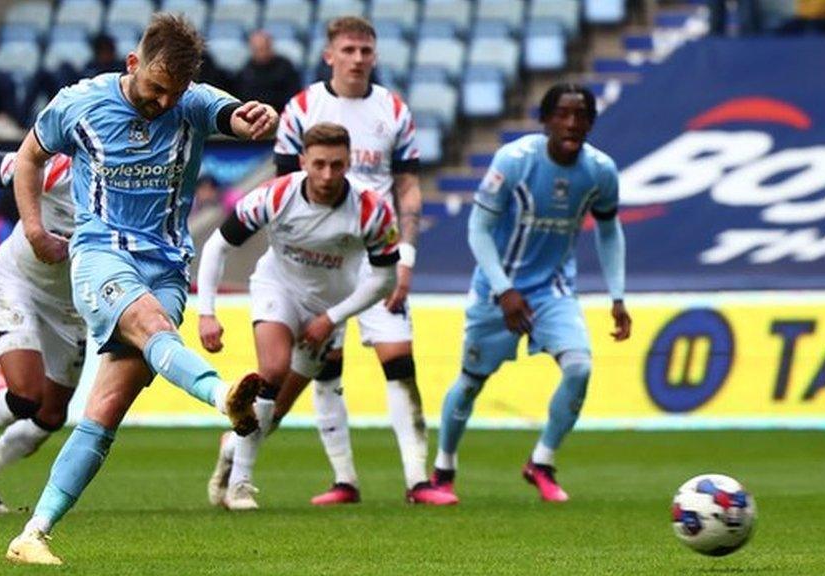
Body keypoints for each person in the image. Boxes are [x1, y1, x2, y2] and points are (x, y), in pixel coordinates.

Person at [4, 13, 279, 565]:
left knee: (104, 413)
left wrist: (258, 118)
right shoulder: (79, 104)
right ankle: (221, 394)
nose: (161, 103)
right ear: (133, 64)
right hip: (100, 255)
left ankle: (33, 531)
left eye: (172, 94)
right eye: (155, 89)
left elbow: (237, 116)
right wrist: (34, 227)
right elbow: (30, 156)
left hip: (167, 266)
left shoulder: (192, 102)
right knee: (153, 325)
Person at [235, 15, 452, 506]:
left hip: (377, 253)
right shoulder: (301, 109)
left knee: (399, 360)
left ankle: (418, 481)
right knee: (323, 367)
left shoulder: (393, 109)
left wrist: (407, 257)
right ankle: (344, 480)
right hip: (319, 263)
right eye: (349, 50)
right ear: (329, 55)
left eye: (366, 50)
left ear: (375, 56)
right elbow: (285, 192)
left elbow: (409, 187)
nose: (358, 59)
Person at [431, 84, 632, 503]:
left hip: (553, 289)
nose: (572, 123)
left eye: (581, 116)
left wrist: (617, 296)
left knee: (579, 367)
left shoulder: (601, 171)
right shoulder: (514, 161)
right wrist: (504, 290)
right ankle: (444, 468)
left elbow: (610, 231)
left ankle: (541, 462)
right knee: (470, 382)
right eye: (562, 114)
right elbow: (478, 229)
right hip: (496, 287)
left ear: (592, 123)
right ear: (545, 120)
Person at [198, 123, 400, 510]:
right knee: (270, 372)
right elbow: (217, 246)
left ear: (349, 162)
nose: (327, 175)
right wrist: (206, 312)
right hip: (278, 289)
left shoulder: (371, 209)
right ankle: (241, 484)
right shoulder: (276, 195)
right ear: (303, 160)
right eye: (319, 164)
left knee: (272, 415)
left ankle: (230, 452)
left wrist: (332, 317)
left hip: (330, 310)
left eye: (337, 165)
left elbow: (385, 279)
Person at [0, 150, 83, 515]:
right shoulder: (58, 170)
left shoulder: (128, 191)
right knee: (26, 394)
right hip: (17, 283)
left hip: (71, 306)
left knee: (52, 415)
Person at [234, 30, 301, 113]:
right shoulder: (246, 70)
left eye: (262, 48)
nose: (260, 53)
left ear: (270, 46)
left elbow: (293, 95)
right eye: (256, 49)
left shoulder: (285, 67)